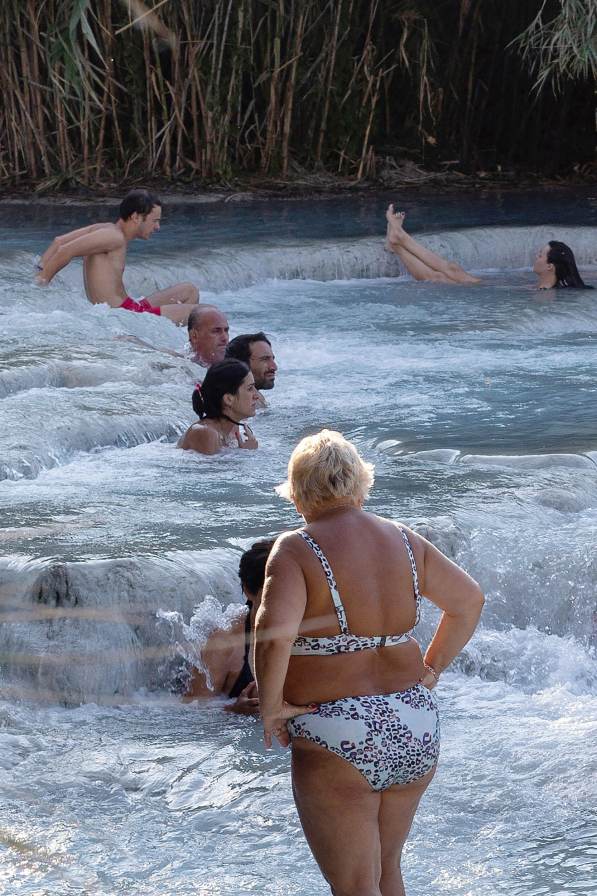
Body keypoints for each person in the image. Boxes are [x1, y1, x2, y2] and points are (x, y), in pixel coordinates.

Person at [254, 429, 484, 896]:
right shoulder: (403, 540)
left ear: (298, 493)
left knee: (356, 886)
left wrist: (272, 706)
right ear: (360, 484)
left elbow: (273, 637)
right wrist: (433, 668)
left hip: (337, 730)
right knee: (386, 874)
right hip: (415, 723)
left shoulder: (296, 549)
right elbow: (469, 601)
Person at [34, 189, 199, 323]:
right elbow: (65, 250)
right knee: (199, 314)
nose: (157, 227)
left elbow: (59, 242)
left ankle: (176, 344)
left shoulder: (107, 229)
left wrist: (40, 269)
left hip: (130, 307)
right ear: (136, 217)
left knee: (189, 290)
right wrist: (40, 284)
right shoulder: (114, 237)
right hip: (123, 316)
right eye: (154, 221)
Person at [386, 204, 592, 289]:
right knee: (452, 270)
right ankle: (399, 240)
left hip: (487, 292)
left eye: (540, 255)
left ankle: (399, 242)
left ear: (550, 266)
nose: (536, 257)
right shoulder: (545, 290)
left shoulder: (547, 295)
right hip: (489, 288)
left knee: (440, 277)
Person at [185, 539, 275, 713]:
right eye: (275, 594)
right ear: (249, 591)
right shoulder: (224, 643)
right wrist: (233, 711)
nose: (289, 602)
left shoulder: (319, 624)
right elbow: (190, 714)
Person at [177, 359, 259, 455]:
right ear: (228, 399)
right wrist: (247, 454)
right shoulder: (205, 433)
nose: (257, 395)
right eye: (250, 388)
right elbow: (211, 470)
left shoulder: (233, 429)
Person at [226, 332, 277, 407]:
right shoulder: (240, 404)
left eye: (272, 359)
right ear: (241, 364)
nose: (274, 367)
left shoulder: (254, 399)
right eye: (265, 359)